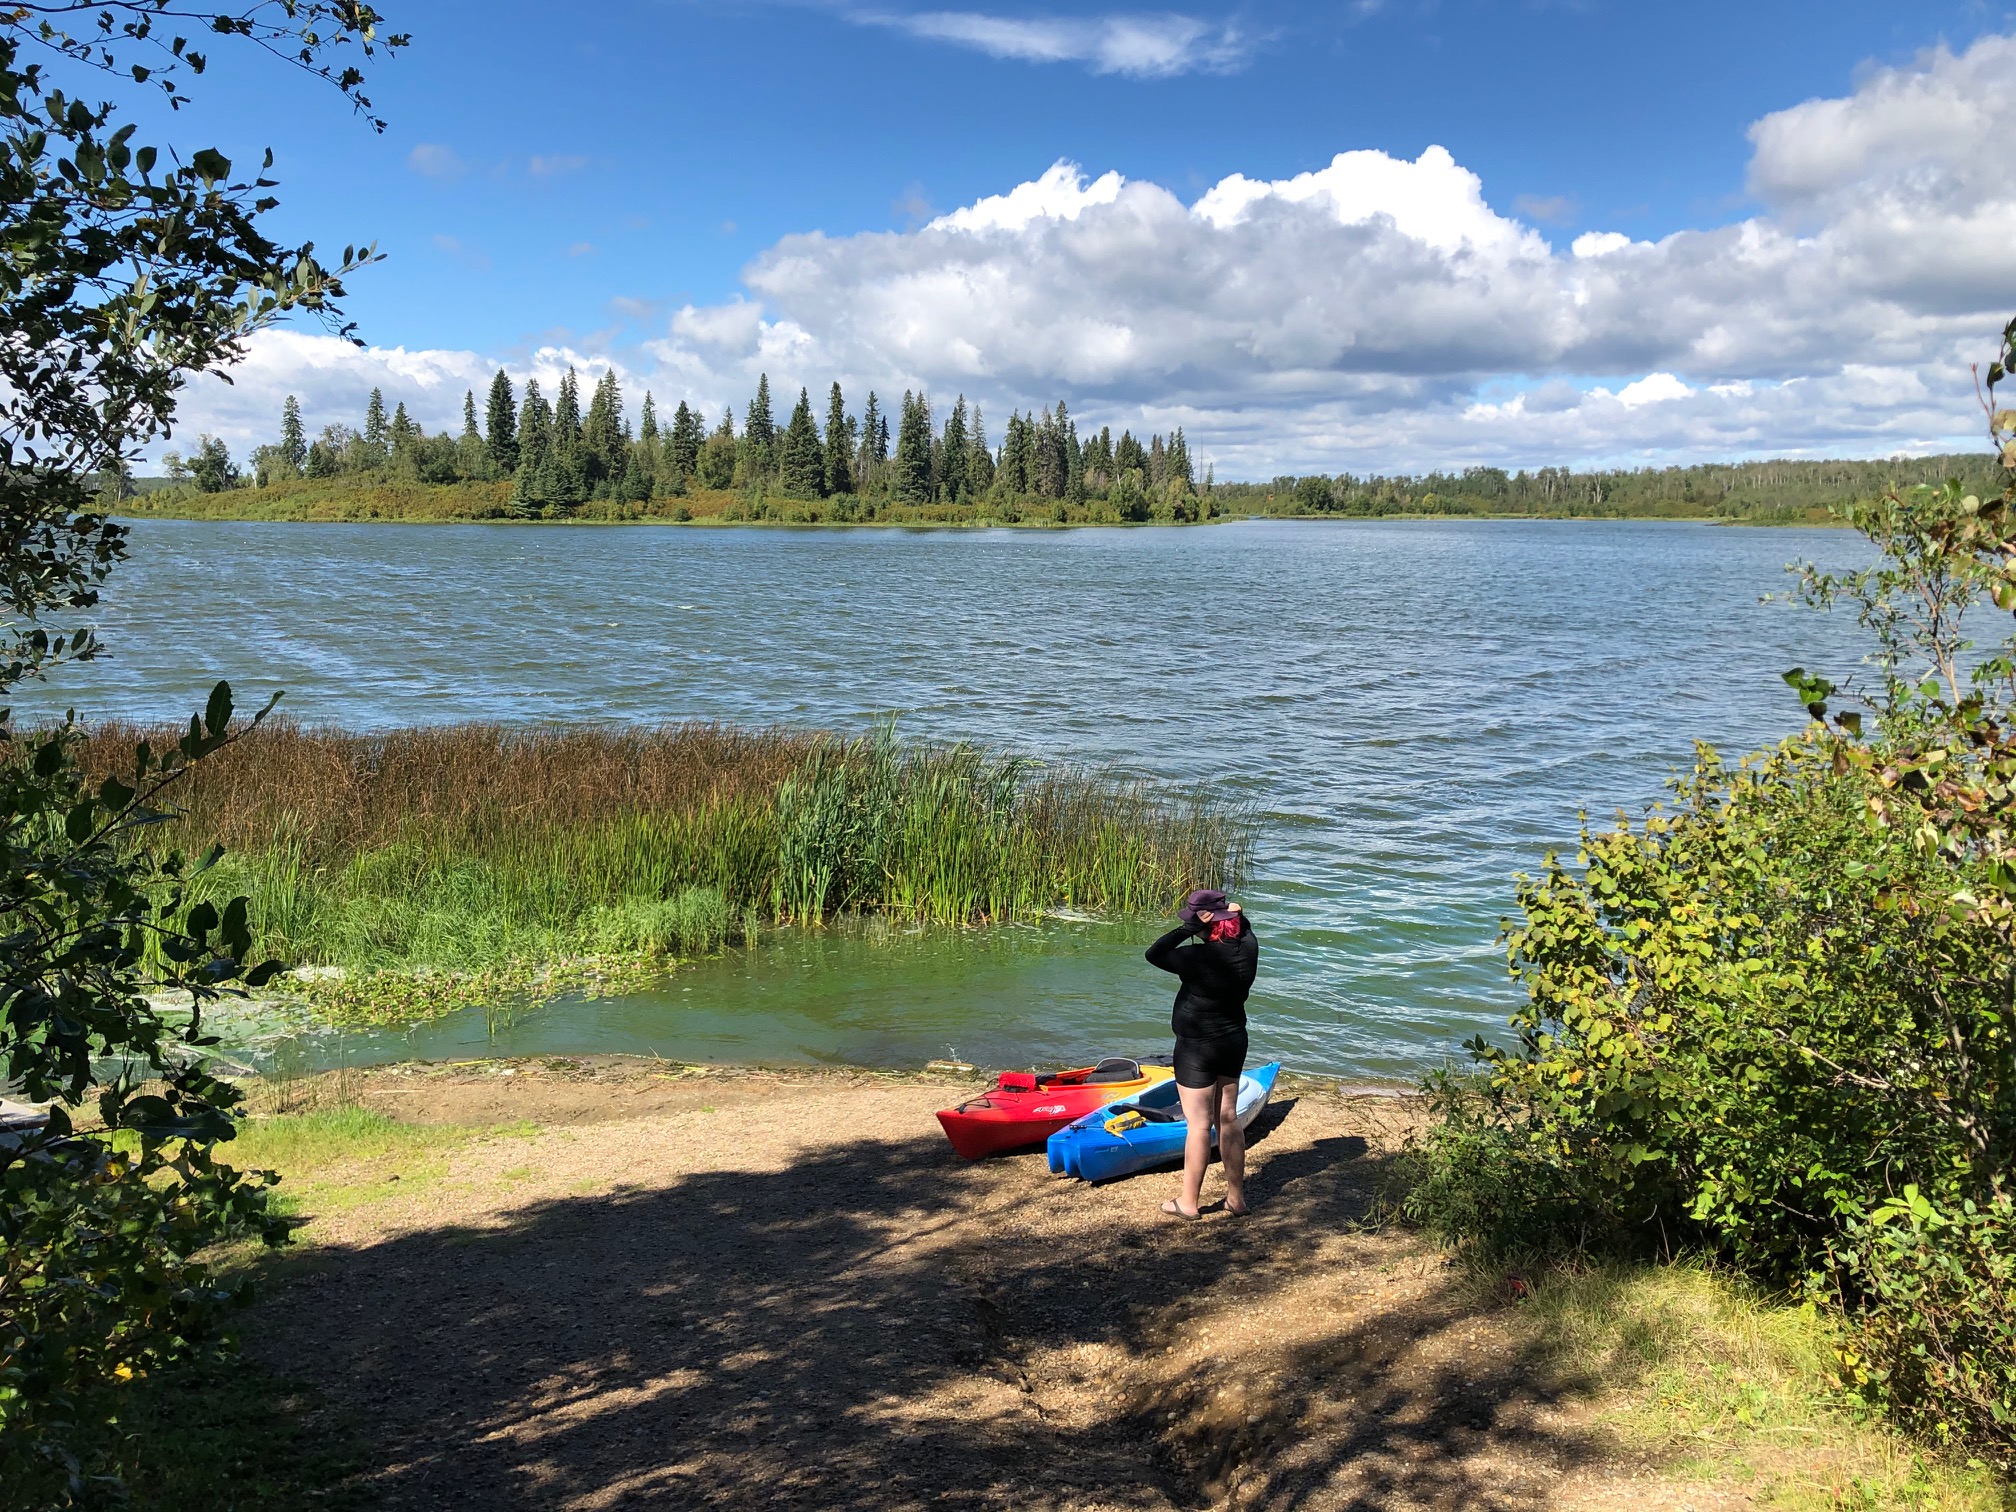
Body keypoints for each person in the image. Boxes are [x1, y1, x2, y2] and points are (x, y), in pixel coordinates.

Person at [1144, 887, 1258, 1218]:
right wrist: (1232, 911)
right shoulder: (1247, 946)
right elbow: (1243, 922)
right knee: (1228, 1118)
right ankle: (1236, 1199)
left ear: (1201, 923)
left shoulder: (1195, 957)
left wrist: (1186, 930)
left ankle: (1188, 1203)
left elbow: (1154, 953)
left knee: (1198, 1124)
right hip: (1233, 1040)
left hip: (1196, 1048)